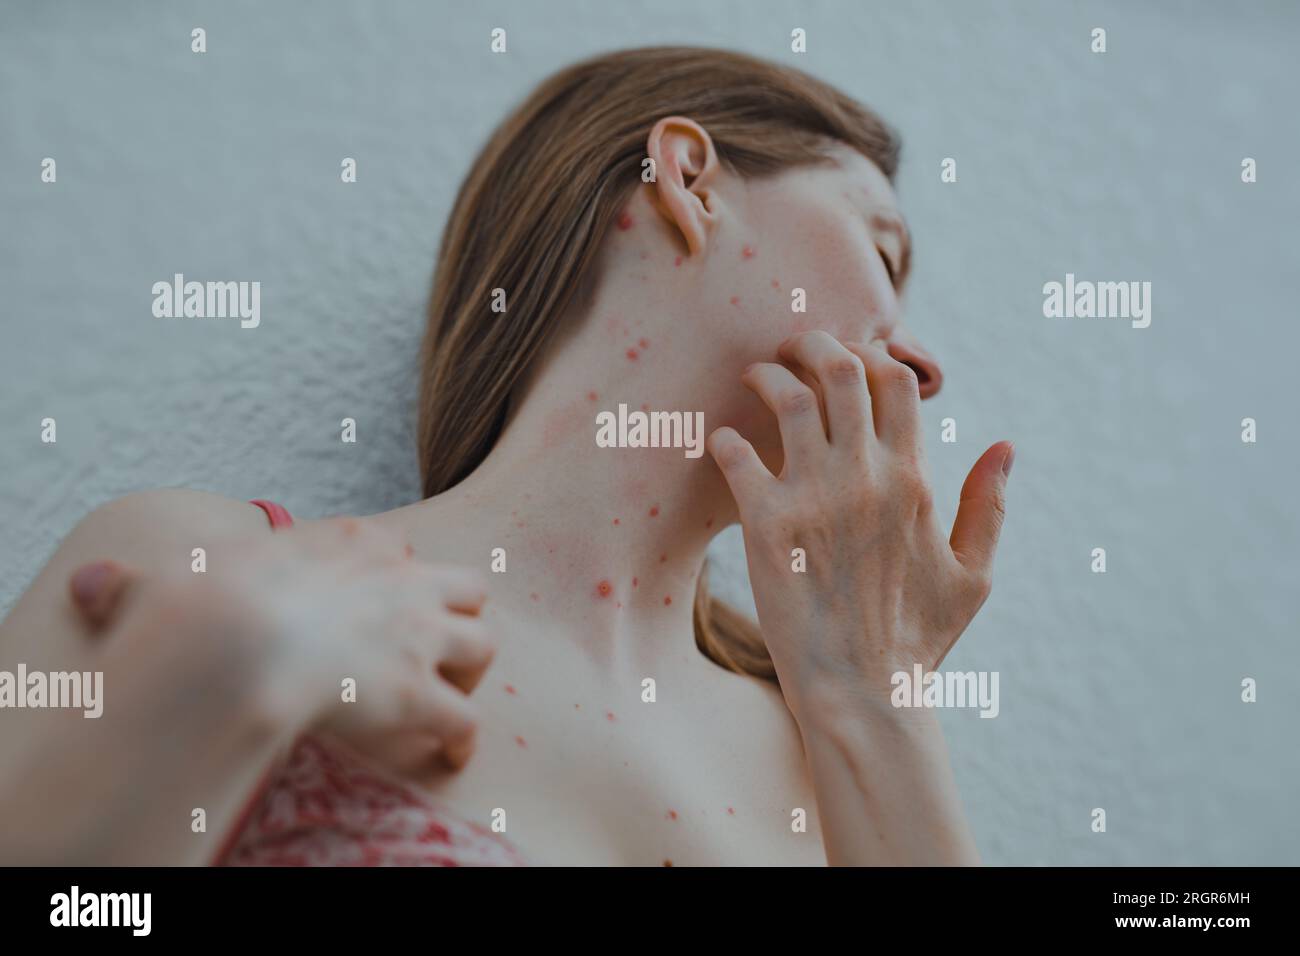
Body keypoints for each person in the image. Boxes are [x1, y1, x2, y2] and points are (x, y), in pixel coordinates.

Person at [0, 47, 1011, 865]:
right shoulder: (203, 565)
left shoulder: (829, 757)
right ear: (689, 178)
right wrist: (230, 672)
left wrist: (873, 694)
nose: (918, 363)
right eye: (882, 252)